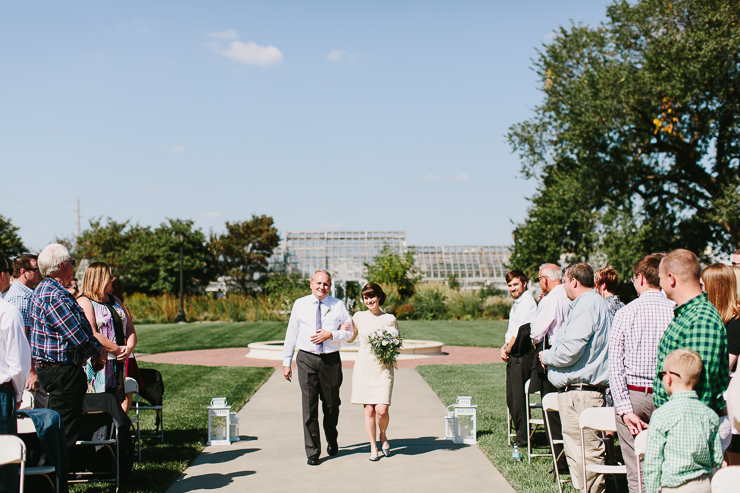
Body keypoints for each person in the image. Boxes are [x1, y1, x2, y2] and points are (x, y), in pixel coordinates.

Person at [540, 262, 611, 493]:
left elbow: (570, 349)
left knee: (586, 455)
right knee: (576, 455)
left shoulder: (588, 304)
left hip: (582, 394)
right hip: (577, 393)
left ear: (574, 282)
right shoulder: (587, 303)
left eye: (565, 282)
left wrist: (547, 356)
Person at [608, 254, 675, 493]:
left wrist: (625, 409)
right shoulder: (675, 310)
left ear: (641, 278)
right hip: (667, 393)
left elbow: (615, 366)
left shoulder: (625, 313)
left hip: (634, 395)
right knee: (667, 462)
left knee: (636, 468)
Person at [29, 243, 105, 449]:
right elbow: (76, 335)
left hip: (59, 371)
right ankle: (57, 478)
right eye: (72, 262)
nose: (73, 266)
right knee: (64, 431)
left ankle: (57, 475)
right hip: (62, 372)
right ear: (63, 265)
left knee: (63, 427)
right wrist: (98, 352)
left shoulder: (50, 291)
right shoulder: (54, 294)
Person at [654, 249, 730, 451]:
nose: (659, 284)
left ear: (671, 278)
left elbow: (699, 389)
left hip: (689, 433)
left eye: (660, 278)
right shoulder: (687, 315)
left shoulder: (701, 319)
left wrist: (681, 437)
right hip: (680, 426)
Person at [282, 270, 353, 465]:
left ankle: (332, 437)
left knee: (331, 406)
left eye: (326, 284)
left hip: (330, 361)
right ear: (311, 284)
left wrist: (332, 334)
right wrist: (287, 361)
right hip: (305, 359)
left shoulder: (338, 305)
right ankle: (313, 451)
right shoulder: (300, 304)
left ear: (330, 286)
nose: (322, 287)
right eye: (319, 283)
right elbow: (291, 333)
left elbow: (350, 332)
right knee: (309, 407)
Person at [644, 349, 722, 493]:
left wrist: (652, 490)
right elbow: (716, 457)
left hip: (672, 487)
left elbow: (652, 461)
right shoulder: (710, 415)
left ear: (668, 378)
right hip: (702, 485)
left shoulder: (662, 414)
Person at [77, 262, 137, 411]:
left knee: (116, 400)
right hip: (98, 362)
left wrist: (129, 348)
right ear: (99, 278)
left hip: (118, 362)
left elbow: (129, 327)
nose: (112, 279)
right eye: (109, 276)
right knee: (99, 404)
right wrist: (117, 350)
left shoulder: (115, 300)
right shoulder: (85, 302)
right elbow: (92, 332)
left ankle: (114, 432)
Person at [349, 282, 398, 461]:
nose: (369, 300)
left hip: (383, 368)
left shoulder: (390, 319)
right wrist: (342, 329)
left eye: (372, 296)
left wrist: (389, 349)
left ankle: (383, 435)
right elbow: (349, 338)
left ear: (379, 297)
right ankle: (373, 447)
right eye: (366, 297)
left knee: (382, 410)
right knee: (369, 410)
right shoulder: (358, 317)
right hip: (364, 367)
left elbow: (397, 343)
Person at [529, 263, 570, 472]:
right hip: (571, 355)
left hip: (551, 355)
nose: (538, 282)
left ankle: (561, 462)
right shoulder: (569, 295)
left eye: (538, 279)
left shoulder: (551, 299)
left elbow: (536, 332)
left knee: (551, 410)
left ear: (545, 279)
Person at [0, 253, 32, 492]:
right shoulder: (8, 311)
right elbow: (18, 362)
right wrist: (19, 392)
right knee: (5, 458)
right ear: (3, 276)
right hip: (2, 393)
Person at [3, 254, 47, 407]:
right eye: (36, 270)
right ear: (23, 272)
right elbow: (22, 339)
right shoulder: (20, 298)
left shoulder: (23, 294)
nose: (40, 273)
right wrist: (31, 371)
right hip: (27, 371)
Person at [501, 269, 537, 450]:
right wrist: (504, 347)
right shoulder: (517, 303)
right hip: (513, 353)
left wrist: (507, 348)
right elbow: (511, 332)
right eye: (509, 285)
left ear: (524, 283)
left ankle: (523, 438)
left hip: (523, 354)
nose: (512, 288)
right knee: (511, 398)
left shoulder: (527, 303)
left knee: (518, 399)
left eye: (515, 284)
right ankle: (520, 434)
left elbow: (519, 332)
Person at [701, 264, 740, 373]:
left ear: (713, 288)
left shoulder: (736, 321)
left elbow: (727, 366)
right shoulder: (711, 315)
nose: (699, 289)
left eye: (701, 285)